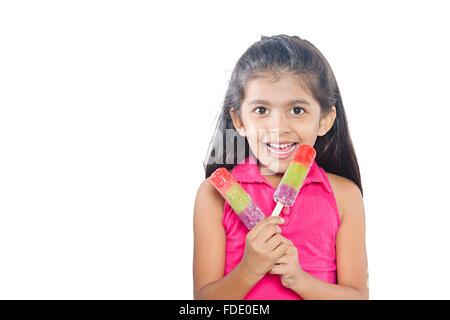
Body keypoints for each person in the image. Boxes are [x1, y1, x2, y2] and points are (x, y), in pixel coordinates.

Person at [193, 34, 368, 300]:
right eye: (261, 110)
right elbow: (204, 302)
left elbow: (358, 297)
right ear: (239, 121)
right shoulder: (213, 195)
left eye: (297, 110)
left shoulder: (344, 195)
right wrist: (249, 269)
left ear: (324, 119)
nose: (278, 128)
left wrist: (299, 280)